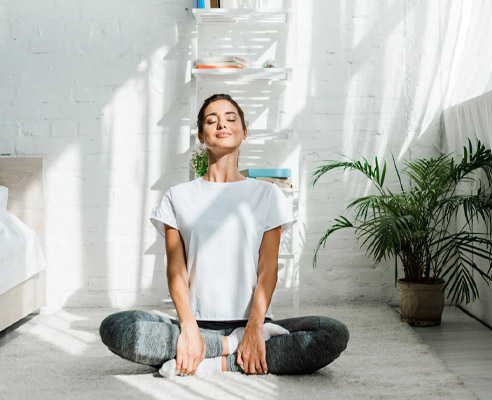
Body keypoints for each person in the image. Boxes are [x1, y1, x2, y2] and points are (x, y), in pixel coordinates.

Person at [99, 93, 349, 376]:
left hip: (256, 321)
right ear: (201, 136)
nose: (222, 124)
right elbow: (176, 272)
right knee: (117, 327)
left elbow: (268, 269)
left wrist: (254, 327)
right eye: (211, 120)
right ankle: (233, 346)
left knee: (332, 333)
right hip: (197, 322)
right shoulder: (177, 197)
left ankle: (214, 358)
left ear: (244, 132)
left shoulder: (267, 194)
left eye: (231, 119)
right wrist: (189, 328)